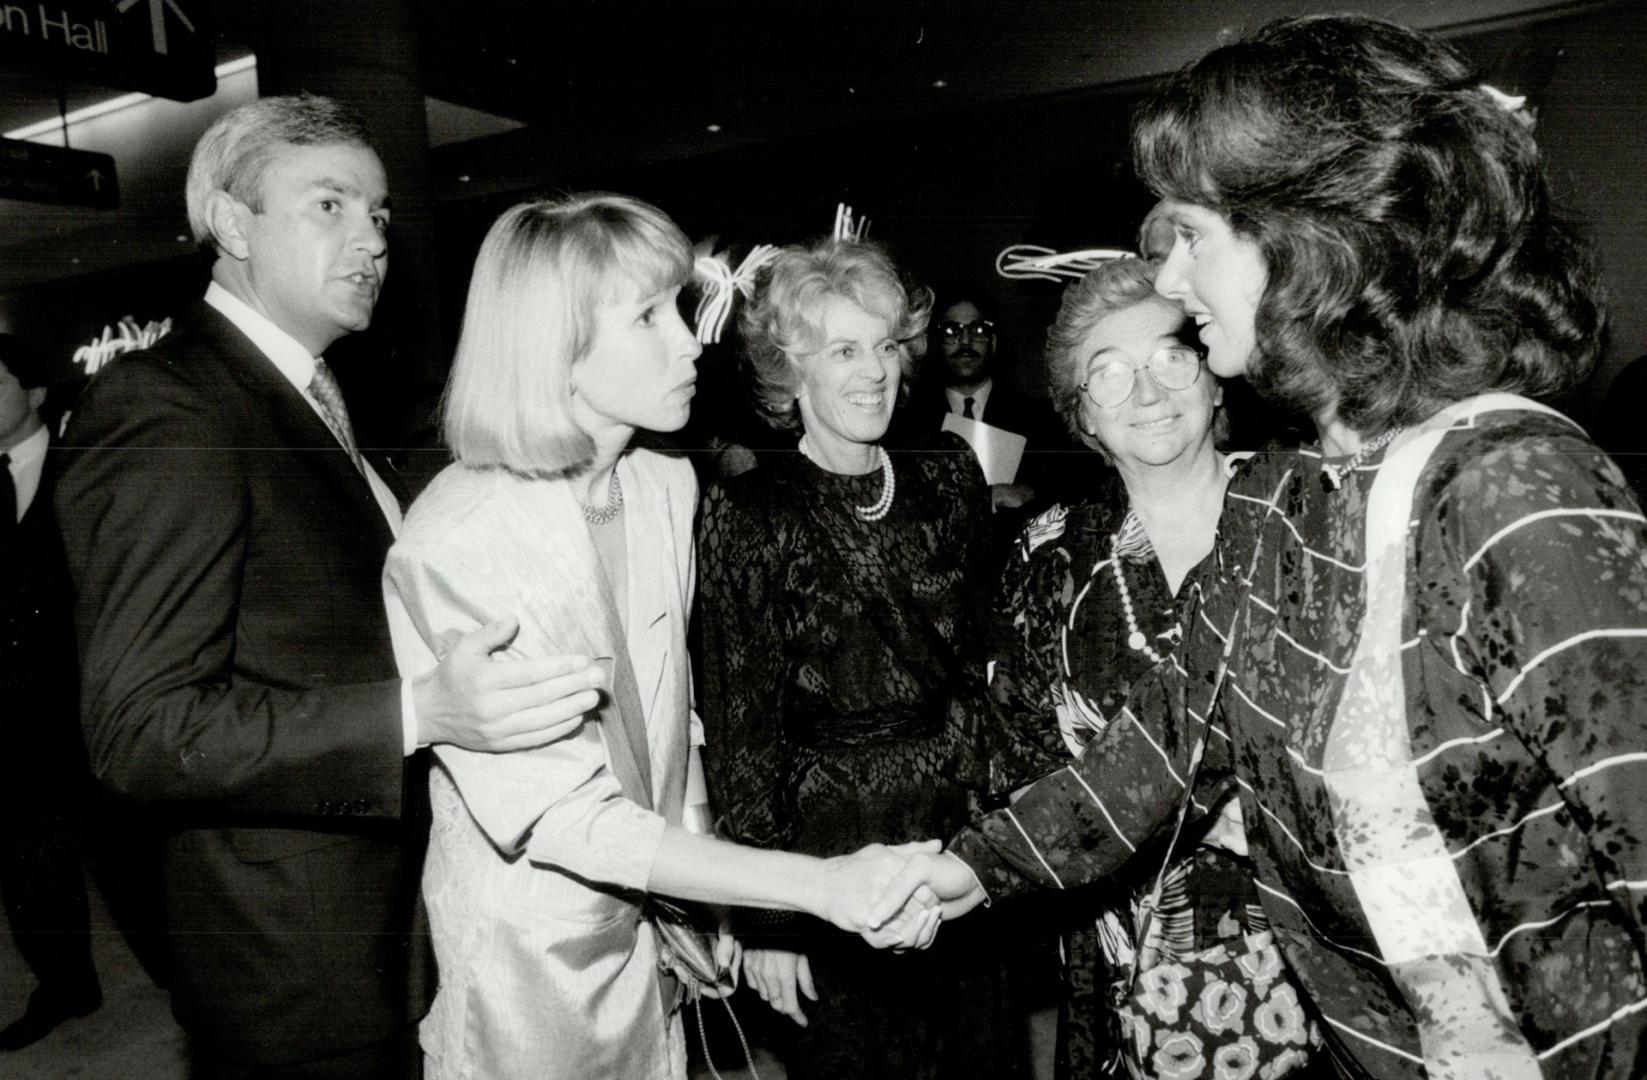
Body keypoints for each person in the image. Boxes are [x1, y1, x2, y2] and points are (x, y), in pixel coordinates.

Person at [876, 14, 1647, 1079]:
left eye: (1192, 235)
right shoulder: (1286, 499)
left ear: (1308, 235)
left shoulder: (1516, 492)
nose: (1176, 287)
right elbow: (1155, 755)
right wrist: (967, 871)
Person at [54, 94, 606, 1079]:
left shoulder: (305, 390)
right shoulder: (169, 405)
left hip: (379, 933)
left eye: (381, 213)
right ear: (231, 223)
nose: (371, 239)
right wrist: (420, 712)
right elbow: (139, 727)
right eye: (329, 205)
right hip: (295, 963)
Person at [383, 195, 940, 1080]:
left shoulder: (659, 484)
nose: (689, 342)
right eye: (649, 317)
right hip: (531, 957)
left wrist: (697, 895)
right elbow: (566, 817)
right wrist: (808, 886)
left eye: (679, 308)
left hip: (654, 930)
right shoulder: (456, 542)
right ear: (553, 349)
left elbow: (672, 718)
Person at [698, 238, 1018, 1079]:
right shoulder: (748, 512)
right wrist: (771, 918)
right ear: (789, 370)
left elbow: (993, 657)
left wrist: (1001, 833)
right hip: (831, 853)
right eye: (843, 350)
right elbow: (741, 726)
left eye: (883, 345)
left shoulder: (947, 469)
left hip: (958, 831)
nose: (873, 371)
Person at [985, 256, 1269, 1079]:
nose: (1146, 395)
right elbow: (1019, 760)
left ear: (1215, 378)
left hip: (1307, 923)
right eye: (1109, 376)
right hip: (1126, 944)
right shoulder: (1049, 556)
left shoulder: (1299, 511)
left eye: (1170, 360)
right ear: (1081, 418)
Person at [0, 335, 101, 1051]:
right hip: (11, 716)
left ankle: (185, 976)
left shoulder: (87, 467)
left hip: (92, 705)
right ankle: (66, 985)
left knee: (126, 853)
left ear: (35, 393)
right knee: (28, 863)